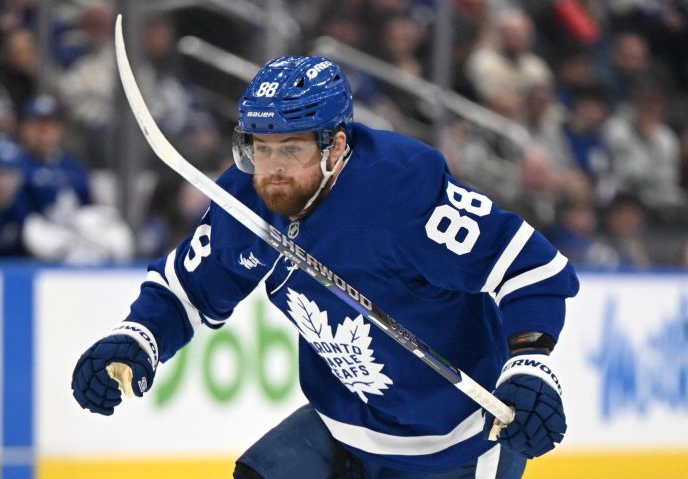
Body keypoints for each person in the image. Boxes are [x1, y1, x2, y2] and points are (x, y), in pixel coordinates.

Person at [71, 56, 579, 478]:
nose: (271, 171)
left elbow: (531, 268)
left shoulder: (401, 190)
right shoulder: (248, 200)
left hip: (460, 443)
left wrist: (530, 362)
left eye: (290, 149)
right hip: (343, 430)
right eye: (259, 148)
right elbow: (186, 288)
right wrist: (138, 336)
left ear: (336, 145)